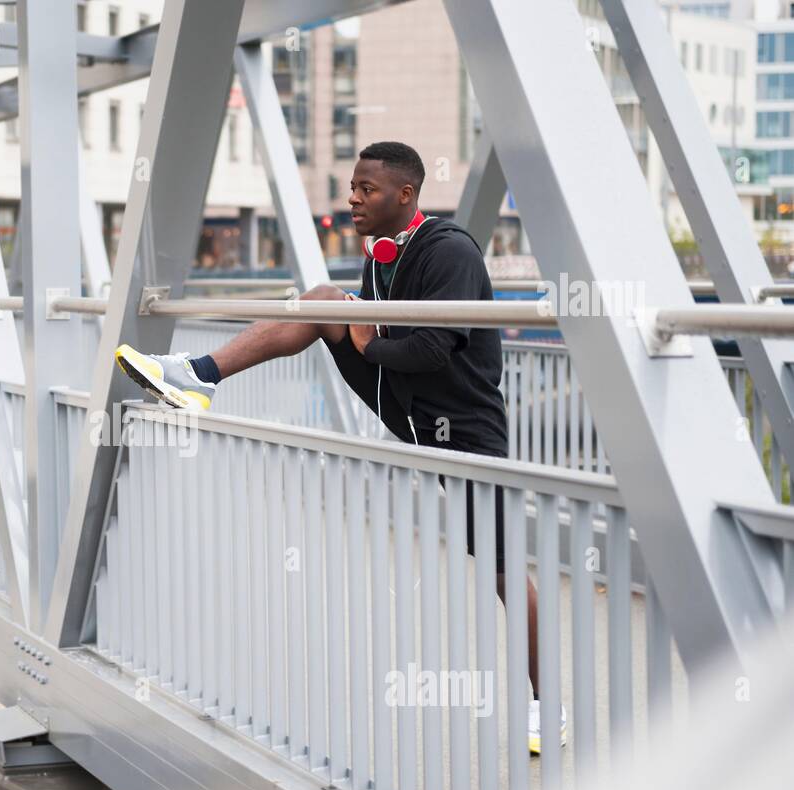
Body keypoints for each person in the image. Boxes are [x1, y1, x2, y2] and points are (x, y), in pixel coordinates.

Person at [114, 140, 563, 754]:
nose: (352, 198)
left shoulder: (449, 250)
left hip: (461, 427)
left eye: (366, 190)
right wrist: (362, 332)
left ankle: (551, 706)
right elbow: (378, 329)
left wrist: (364, 340)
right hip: (404, 400)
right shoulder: (381, 255)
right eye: (353, 187)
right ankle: (197, 375)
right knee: (324, 299)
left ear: (405, 195)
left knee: (504, 570)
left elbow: (434, 346)